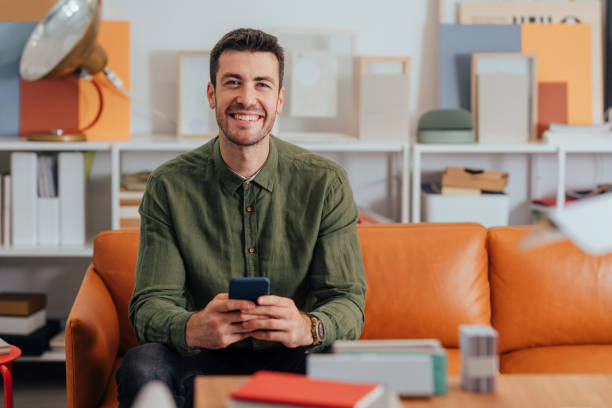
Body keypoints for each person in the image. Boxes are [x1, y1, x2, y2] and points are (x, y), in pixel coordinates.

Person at [116, 28, 367, 408]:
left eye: (262, 84)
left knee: (345, 364)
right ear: (211, 94)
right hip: (201, 357)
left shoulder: (325, 182)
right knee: (142, 366)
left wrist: (307, 326)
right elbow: (150, 305)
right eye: (232, 82)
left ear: (279, 100)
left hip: (293, 357)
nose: (247, 98)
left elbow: (347, 300)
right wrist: (192, 326)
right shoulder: (168, 185)